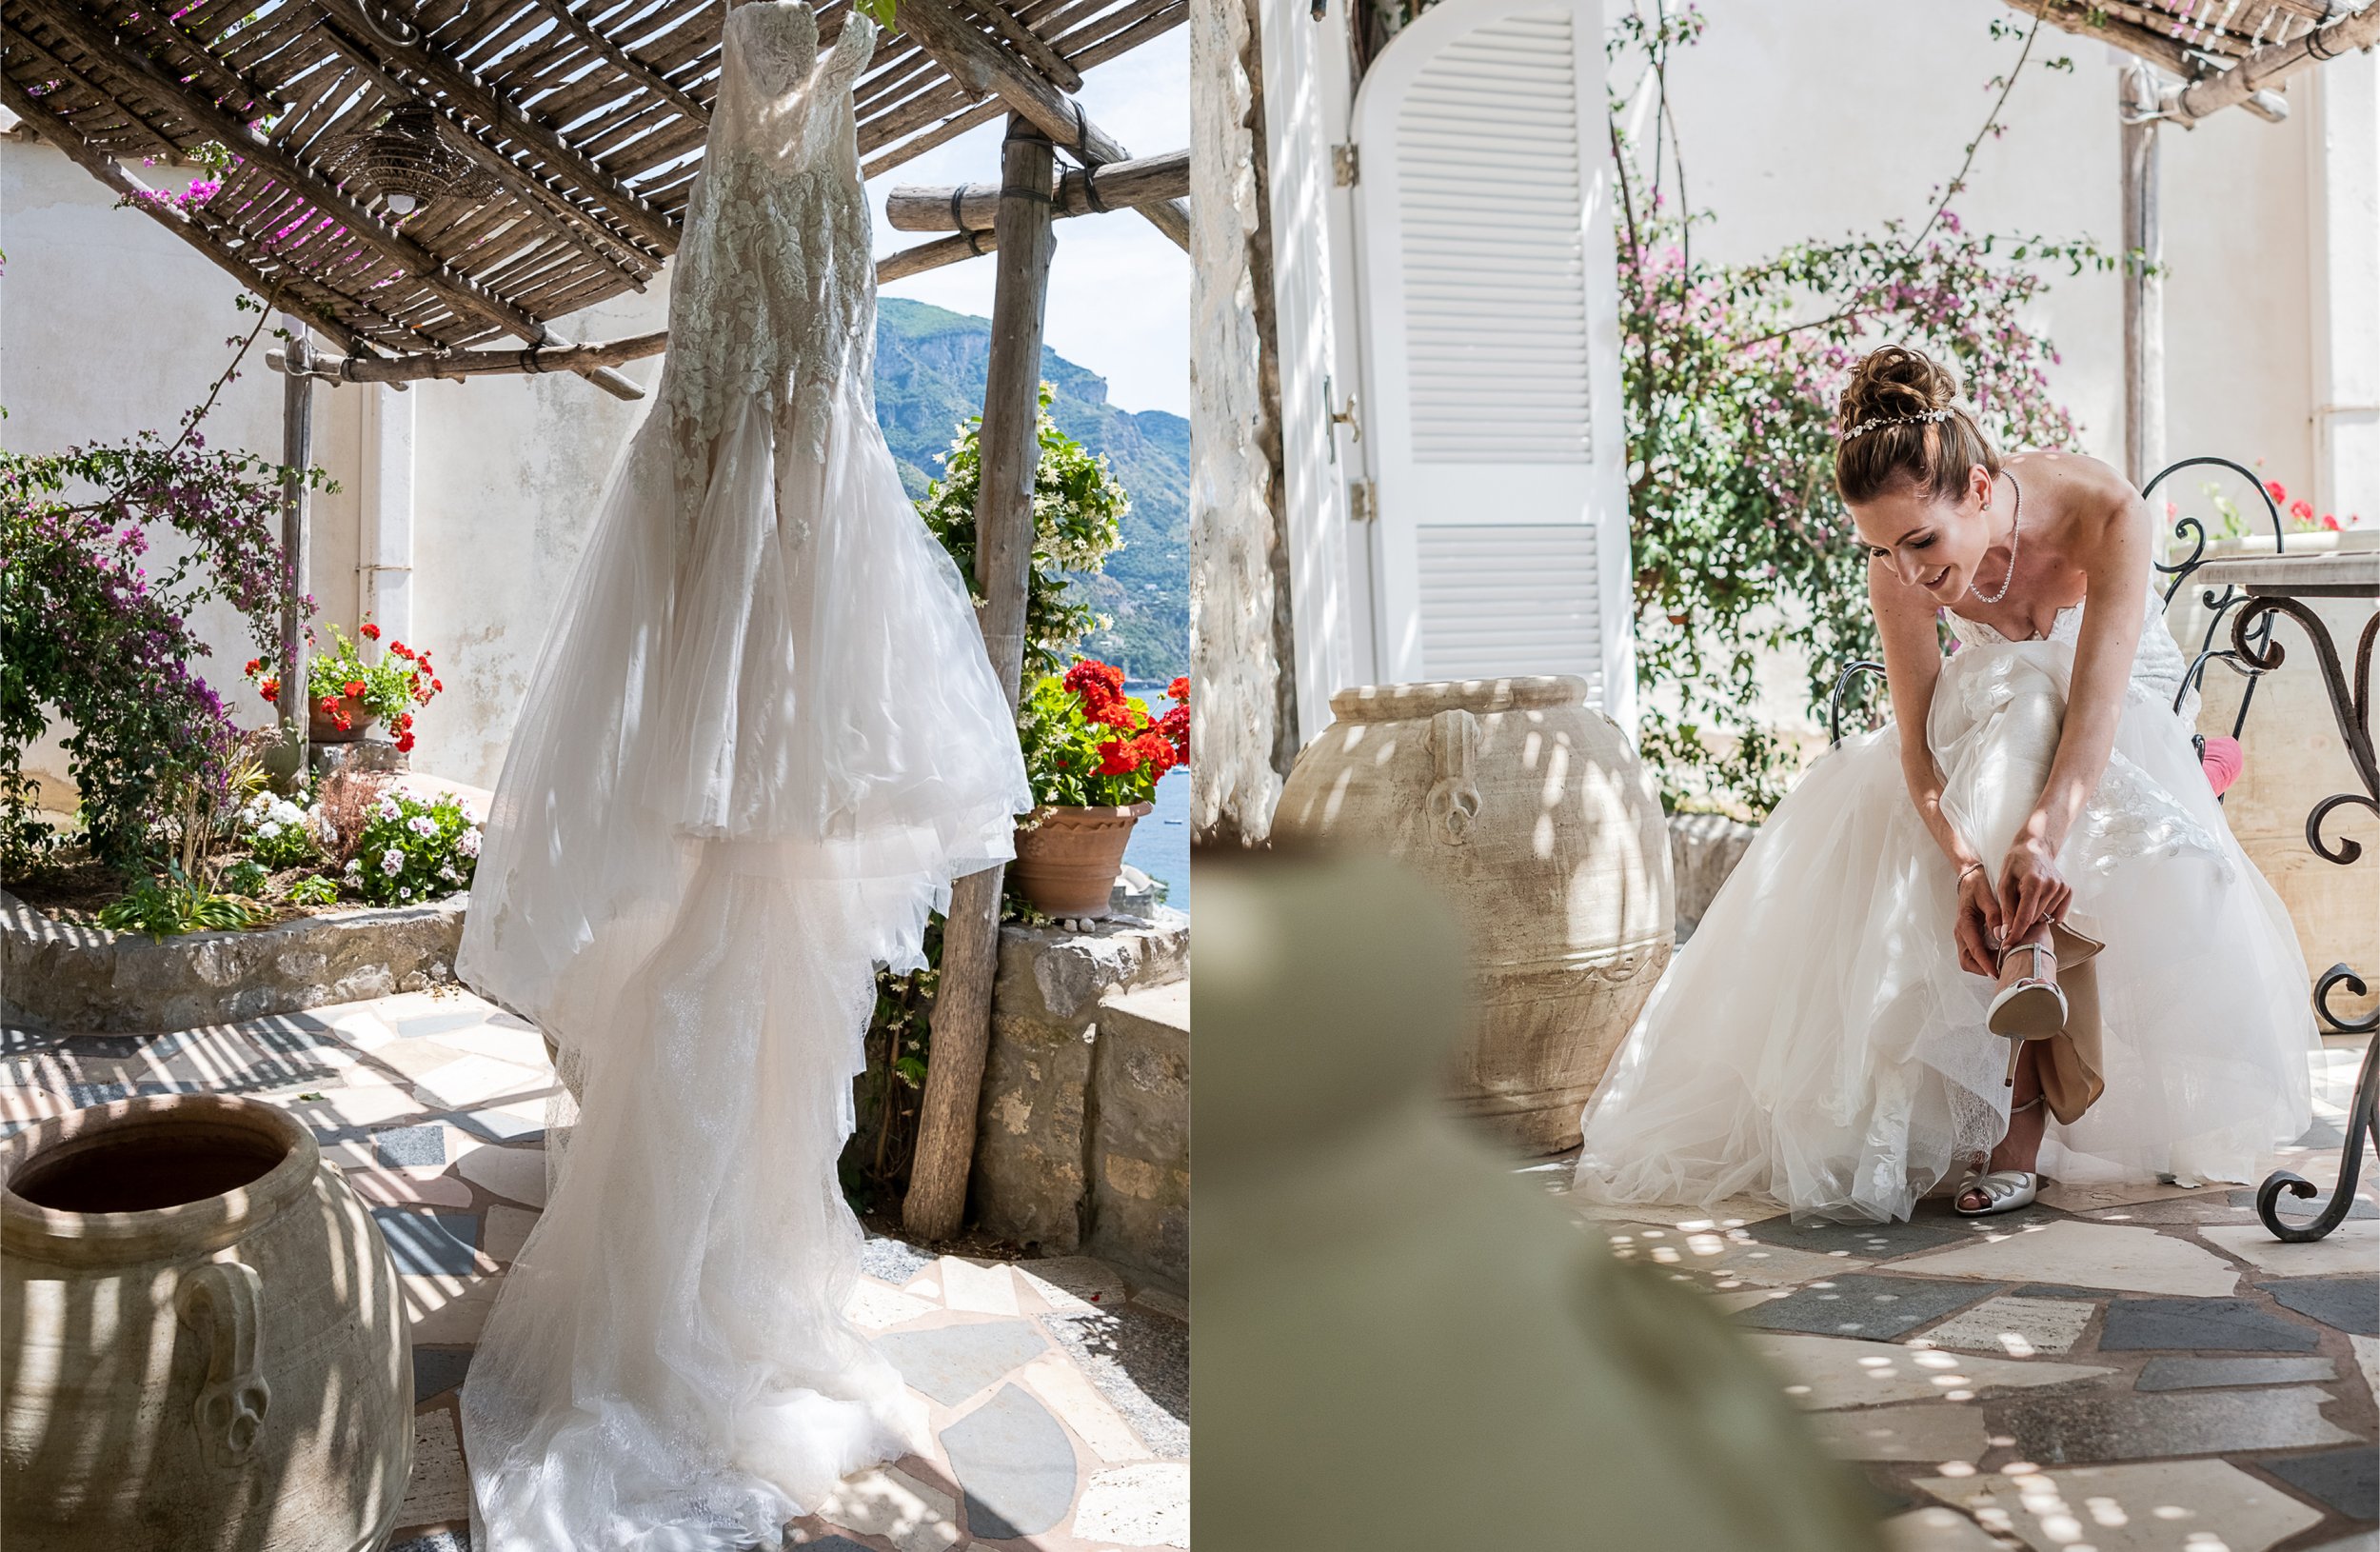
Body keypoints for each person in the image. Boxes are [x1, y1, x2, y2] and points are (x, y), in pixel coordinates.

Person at [452, 4, 1033, 1544]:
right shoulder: (749, 71)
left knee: (772, 979)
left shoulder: (818, 81)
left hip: (794, 582)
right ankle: (663, 1316)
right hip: (729, 542)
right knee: (704, 968)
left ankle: (735, 1284)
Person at [1575, 345, 2315, 1223]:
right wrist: (1970, 867)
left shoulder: (2105, 512)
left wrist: (2042, 833)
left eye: (1921, 542)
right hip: (1988, 749)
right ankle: (2024, 992)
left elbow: (2096, 713)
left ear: (1978, 487)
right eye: (1881, 550)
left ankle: (2022, 1108)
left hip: (2121, 731)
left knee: (2038, 720)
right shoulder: (1899, 575)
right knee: (2015, 724)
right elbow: (1920, 755)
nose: (1908, 573)